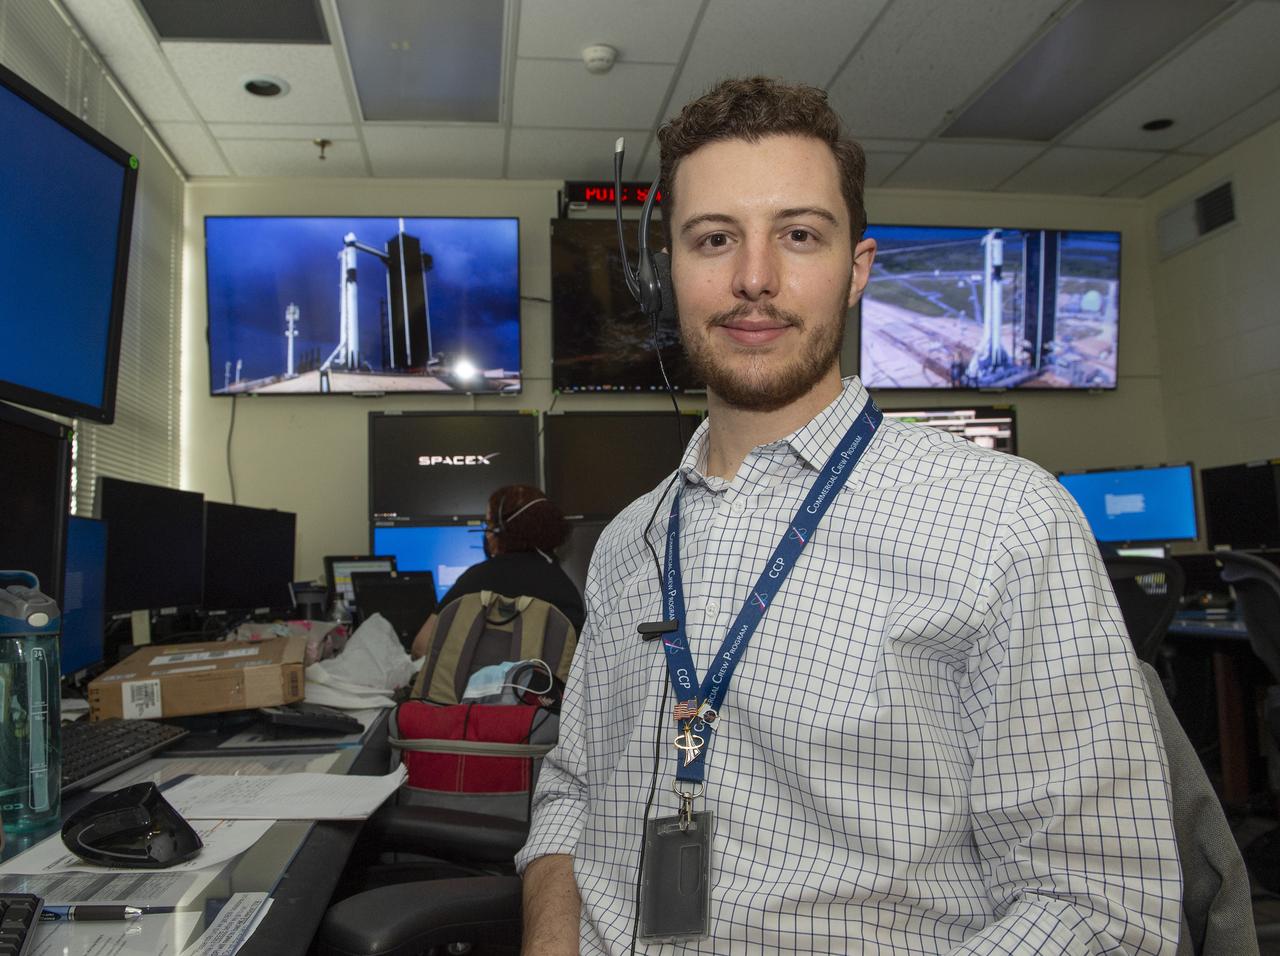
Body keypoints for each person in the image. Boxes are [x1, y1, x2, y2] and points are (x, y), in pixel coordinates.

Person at [516, 77, 1181, 954]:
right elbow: (571, 789)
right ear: (667, 271)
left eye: (798, 235)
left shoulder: (1006, 521)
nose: (755, 278)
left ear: (857, 268)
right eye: (714, 239)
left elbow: (1103, 910)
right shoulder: (630, 542)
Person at [410, 484, 584, 660]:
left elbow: (422, 647)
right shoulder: (563, 587)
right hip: (547, 686)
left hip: (481, 687)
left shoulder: (477, 579)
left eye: (489, 523)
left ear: (499, 529)